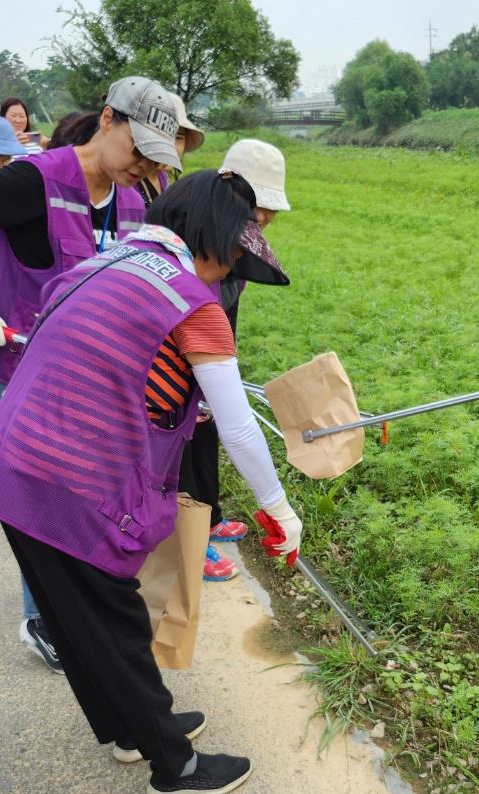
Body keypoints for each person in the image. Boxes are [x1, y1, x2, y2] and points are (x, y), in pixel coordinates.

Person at [0, 169, 303, 794]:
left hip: (16, 461)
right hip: (67, 479)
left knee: (84, 622)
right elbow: (237, 428)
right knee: (113, 621)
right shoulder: (192, 301)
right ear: (211, 235)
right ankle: (174, 768)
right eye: (234, 254)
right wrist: (279, 508)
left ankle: (134, 729)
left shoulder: (111, 261)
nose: (229, 271)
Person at [0, 76, 182, 672]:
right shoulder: (34, 180)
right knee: (40, 497)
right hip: (27, 368)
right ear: (108, 121)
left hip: (99, 377)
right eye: (138, 149)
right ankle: (42, 618)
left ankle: (82, 605)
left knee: (89, 495)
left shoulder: (137, 198)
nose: (143, 166)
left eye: (154, 159)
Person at [183, 138, 292, 583]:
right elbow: (242, 428)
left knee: (206, 434)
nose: (263, 217)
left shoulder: (238, 246)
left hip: (210, 343)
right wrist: (278, 505)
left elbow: (226, 313)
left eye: (271, 208)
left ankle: (207, 520)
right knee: (181, 446)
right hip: (177, 359)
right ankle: (190, 542)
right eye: (256, 203)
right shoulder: (196, 236)